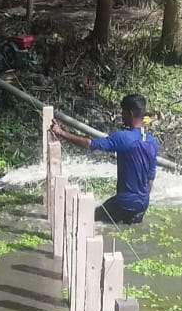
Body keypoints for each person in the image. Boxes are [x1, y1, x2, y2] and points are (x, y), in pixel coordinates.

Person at [50, 94, 158, 226]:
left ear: (130, 113)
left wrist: (62, 133)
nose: (122, 117)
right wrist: (140, 200)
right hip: (143, 204)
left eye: (123, 113)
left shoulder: (123, 138)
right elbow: (150, 180)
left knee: (85, 218)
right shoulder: (152, 142)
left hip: (124, 202)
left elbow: (89, 143)